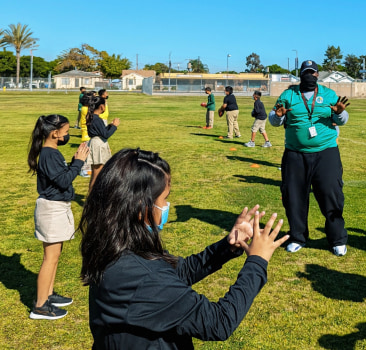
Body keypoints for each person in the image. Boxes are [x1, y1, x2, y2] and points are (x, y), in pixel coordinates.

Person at [79, 148, 289, 349]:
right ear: (141, 208)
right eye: (164, 199)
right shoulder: (139, 275)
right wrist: (257, 263)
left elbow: (179, 271)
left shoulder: (119, 247)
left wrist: (228, 246)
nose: (166, 206)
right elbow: (219, 322)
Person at [269, 60, 350, 256]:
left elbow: (342, 118)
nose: (310, 76)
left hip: (326, 153)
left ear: (317, 75)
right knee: (294, 196)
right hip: (295, 154)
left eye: (313, 73)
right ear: (301, 75)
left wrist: (340, 114)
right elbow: (274, 119)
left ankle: (337, 239)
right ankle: (298, 236)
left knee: (331, 195)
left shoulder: (328, 94)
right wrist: (278, 116)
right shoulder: (288, 94)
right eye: (306, 72)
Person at [27, 114, 90, 319]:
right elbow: (63, 181)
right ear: (54, 134)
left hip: (57, 207)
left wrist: (73, 162)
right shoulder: (49, 154)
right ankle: (40, 306)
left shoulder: (52, 153)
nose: (67, 135)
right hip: (51, 210)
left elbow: (59, 177)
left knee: (55, 257)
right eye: (65, 132)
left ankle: (48, 294)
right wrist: (78, 163)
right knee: (50, 259)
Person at [85, 95, 120, 190]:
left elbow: (101, 131)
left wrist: (110, 126)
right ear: (101, 106)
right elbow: (105, 134)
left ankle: (92, 197)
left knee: (96, 173)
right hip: (98, 145)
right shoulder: (96, 119)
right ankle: (91, 199)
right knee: (97, 174)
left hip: (95, 143)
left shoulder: (92, 117)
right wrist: (114, 126)